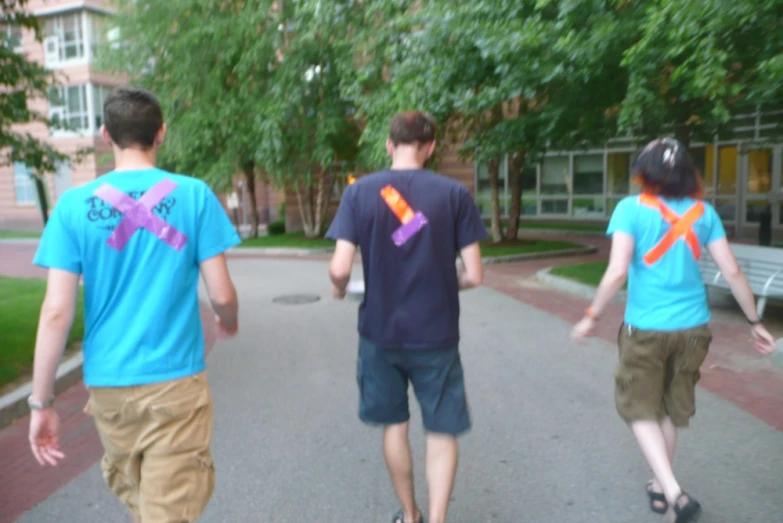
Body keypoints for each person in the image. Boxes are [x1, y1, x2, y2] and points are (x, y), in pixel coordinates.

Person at [28, 87, 241, 522]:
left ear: (106, 134)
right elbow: (221, 294)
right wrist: (228, 321)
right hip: (175, 382)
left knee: (149, 507)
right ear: (161, 134)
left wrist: (41, 402)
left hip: (109, 388)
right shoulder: (194, 196)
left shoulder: (71, 207)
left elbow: (55, 313)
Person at [570, 138, 776, 523]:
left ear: (643, 172)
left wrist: (591, 315)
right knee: (666, 408)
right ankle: (660, 487)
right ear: (686, 173)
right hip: (693, 330)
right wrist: (755, 323)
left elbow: (616, 271)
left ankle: (675, 493)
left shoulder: (630, 209)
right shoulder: (704, 212)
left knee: (640, 409)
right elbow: (731, 271)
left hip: (646, 329)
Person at [325, 111, 487, 523]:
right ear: (431, 147)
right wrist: (445, 282)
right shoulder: (454, 194)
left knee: (394, 426)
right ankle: (436, 520)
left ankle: (410, 515)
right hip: (437, 333)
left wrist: (339, 290)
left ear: (388, 144)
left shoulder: (360, 193)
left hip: (380, 332)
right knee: (441, 429)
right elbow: (475, 275)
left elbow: (340, 268)